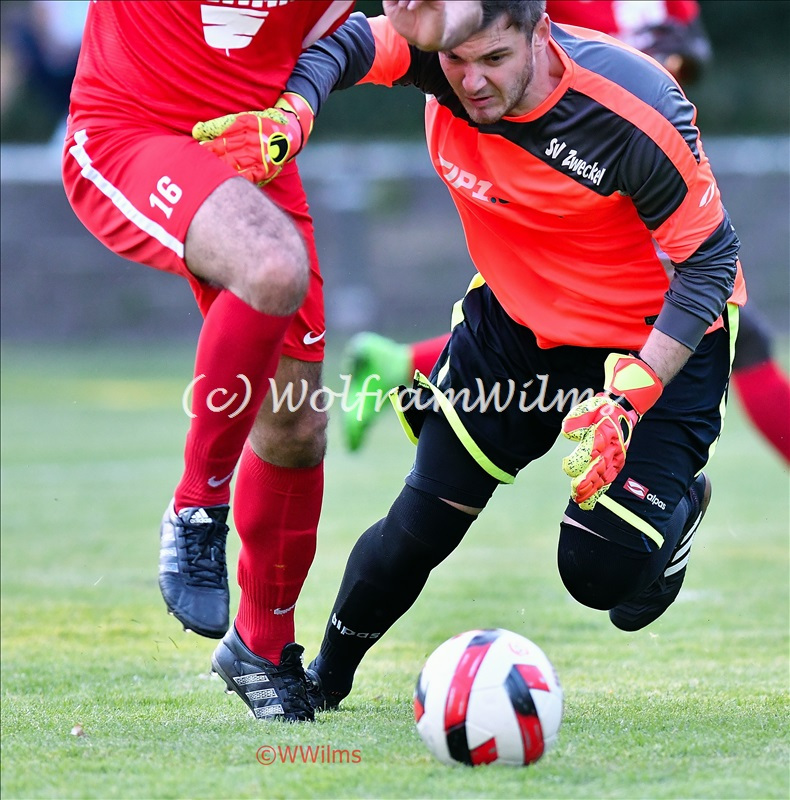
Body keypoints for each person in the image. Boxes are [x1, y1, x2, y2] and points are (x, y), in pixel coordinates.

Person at [252, 0, 744, 709]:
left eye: (494, 59)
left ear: (540, 33)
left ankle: (681, 505)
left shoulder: (634, 109)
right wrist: (292, 113)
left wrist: (629, 397)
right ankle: (321, 684)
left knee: (599, 573)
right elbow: (341, 45)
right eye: (458, 61)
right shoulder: (433, 52)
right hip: (518, 326)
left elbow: (711, 264)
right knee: (421, 523)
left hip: (655, 333)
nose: (473, 81)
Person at [61, 0, 485, 723]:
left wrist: (295, 113)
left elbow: (414, 28)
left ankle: (260, 648)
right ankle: (196, 510)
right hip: (133, 131)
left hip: (254, 148)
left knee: (295, 427)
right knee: (271, 265)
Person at [339, 0, 790, 466]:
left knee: (707, 318)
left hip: (641, 165)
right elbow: (514, 42)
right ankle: (661, 480)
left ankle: (398, 363)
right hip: (570, 177)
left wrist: (655, 75)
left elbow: (690, 50)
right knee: (710, 327)